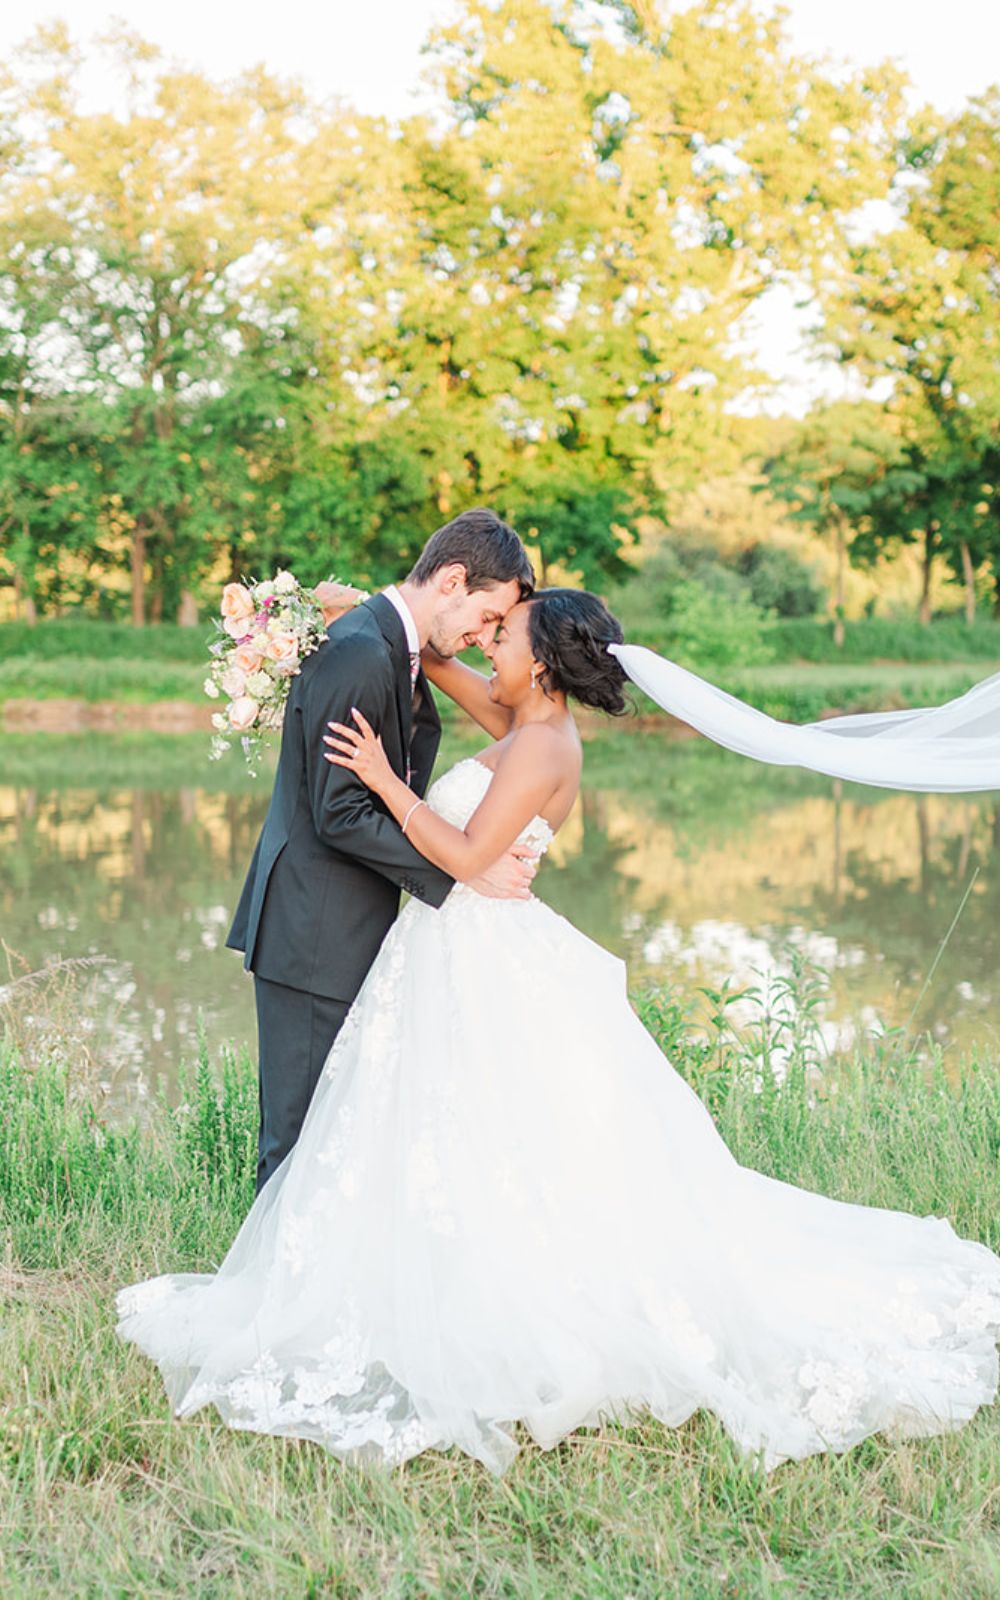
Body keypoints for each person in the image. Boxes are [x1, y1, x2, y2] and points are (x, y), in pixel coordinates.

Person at [119, 588, 1000, 1474]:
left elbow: (465, 862)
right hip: (446, 951)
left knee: (494, 1137)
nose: (491, 643)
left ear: (539, 661)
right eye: (493, 626)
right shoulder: (522, 713)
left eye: (505, 636)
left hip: (477, 947)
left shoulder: (543, 745)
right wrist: (372, 601)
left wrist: (384, 779)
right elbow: (428, 653)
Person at [225, 508, 536, 1192]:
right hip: (313, 932)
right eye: (486, 617)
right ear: (453, 579)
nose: (483, 637)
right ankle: (270, 1298)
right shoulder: (363, 650)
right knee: (297, 1143)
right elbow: (337, 813)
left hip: (341, 926)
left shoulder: (390, 643)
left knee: (332, 1143)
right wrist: (462, 871)